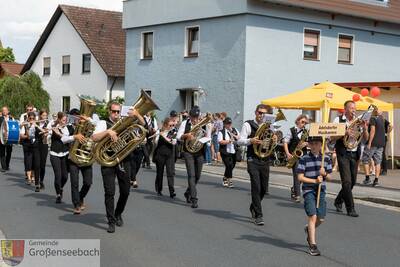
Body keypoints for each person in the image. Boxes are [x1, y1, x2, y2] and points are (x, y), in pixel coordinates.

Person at [92, 102, 145, 233]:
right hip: (107, 160)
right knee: (109, 192)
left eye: (117, 111)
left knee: (126, 191)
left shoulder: (125, 121)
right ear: (109, 111)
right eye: (113, 111)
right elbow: (94, 137)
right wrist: (108, 132)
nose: (115, 114)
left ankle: (118, 213)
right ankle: (111, 221)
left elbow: (143, 126)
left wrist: (137, 114)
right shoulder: (103, 123)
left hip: (124, 160)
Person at [237, 104, 275, 226]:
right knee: (256, 187)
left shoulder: (269, 126)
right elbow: (239, 141)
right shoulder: (248, 124)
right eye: (259, 112)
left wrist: (274, 138)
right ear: (255, 112)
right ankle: (258, 215)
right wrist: (250, 140)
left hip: (265, 159)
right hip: (252, 159)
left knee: (264, 189)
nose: (261, 115)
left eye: (264, 113)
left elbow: (272, 140)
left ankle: (254, 206)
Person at [297, 136, 332, 256]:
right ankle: (312, 245)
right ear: (309, 145)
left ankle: (308, 229)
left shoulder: (326, 159)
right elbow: (300, 177)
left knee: (320, 219)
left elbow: (330, 177)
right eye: (312, 144)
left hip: (321, 190)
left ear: (321, 145)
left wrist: (325, 173)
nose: (314, 146)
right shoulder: (304, 159)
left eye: (317, 143)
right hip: (308, 190)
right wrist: (314, 181)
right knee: (313, 216)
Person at [332, 101, 368, 217]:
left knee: (352, 182)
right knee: (346, 182)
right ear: (345, 109)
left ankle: (338, 200)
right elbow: (332, 137)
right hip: (343, 153)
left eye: (354, 108)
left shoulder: (358, 121)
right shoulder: (338, 120)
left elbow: (365, 139)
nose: (354, 110)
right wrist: (344, 132)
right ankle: (350, 208)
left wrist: (365, 128)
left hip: (354, 153)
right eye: (351, 108)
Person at [177, 106, 211, 208]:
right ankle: (194, 198)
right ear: (190, 116)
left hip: (199, 152)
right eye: (193, 117)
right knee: (191, 175)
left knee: (197, 176)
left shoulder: (205, 124)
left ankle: (188, 192)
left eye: (196, 117)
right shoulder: (185, 123)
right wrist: (186, 135)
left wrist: (203, 138)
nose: (195, 120)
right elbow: (178, 137)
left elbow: (208, 137)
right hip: (188, 152)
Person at [62, 109, 93, 215]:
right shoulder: (68, 127)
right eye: (75, 117)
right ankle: (76, 205)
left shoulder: (88, 127)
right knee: (74, 183)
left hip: (85, 157)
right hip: (73, 158)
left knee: (88, 182)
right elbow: (63, 139)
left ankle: (80, 197)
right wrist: (75, 136)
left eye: (79, 117)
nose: (77, 119)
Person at [49, 112, 74, 202]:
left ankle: (61, 187)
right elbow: (63, 139)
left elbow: (71, 137)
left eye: (66, 120)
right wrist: (51, 131)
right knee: (58, 176)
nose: (65, 121)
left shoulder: (69, 127)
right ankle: (58, 194)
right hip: (55, 154)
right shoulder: (55, 128)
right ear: (59, 120)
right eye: (63, 120)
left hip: (65, 154)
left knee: (65, 176)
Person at [283, 114, 309, 202]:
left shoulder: (306, 132)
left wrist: (307, 144)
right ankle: (297, 195)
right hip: (294, 155)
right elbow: (285, 142)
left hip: (304, 155)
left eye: (305, 123)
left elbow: (311, 143)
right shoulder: (291, 130)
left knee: (304, 175)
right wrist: (287, 153)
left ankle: (294, 188)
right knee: (297, 175)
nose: (304, 124)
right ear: (297, 121)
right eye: (302, 122)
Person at [153, 118, 177, 198]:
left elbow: (173, 142)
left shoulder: (173, 132)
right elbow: (155, 142)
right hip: (160, 155)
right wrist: (156, 137)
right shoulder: (160, 131)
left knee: (170, 173)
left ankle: (172, 191)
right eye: (170, 125)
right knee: (160, 173)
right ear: (166, 125)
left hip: (170, 155)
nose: (172, 127)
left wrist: (164, 136)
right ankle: (159, 190)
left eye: (173, 125)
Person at [362, 108, 386, 187]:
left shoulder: (373, 118)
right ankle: (376, 181)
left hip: (373, 143)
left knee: (365, 159)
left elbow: (372, 131)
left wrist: (369, 143)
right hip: (381, 143)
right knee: (377, 162)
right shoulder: (381, 119)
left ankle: (367, 179)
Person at [19, 112, 42, 192]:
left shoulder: (36, 125)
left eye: (33, 118)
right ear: (28, 118)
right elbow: (23, 135)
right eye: (30, 118)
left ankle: (37, 184)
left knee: (37, 165)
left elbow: (43, 132)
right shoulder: (25, 125)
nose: (31, 120)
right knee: (28, 163)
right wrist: (27, 128)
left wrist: (36, 125)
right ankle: (29, 178)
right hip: (27, 146)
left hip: (36, 147)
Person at [218, 117, 240, 188]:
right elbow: (220, 141)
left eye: (230, 123)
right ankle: (230, 180)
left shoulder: (234, 129)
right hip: (225, 152)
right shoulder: (221, 132)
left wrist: (234, 135)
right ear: (224, 124)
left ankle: (225, 177)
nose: (229, 125)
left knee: (232, 166)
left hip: (233, 151)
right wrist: (229, 141)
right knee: (229, 165)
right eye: (227, 123)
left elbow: (239, 137)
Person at [36, 109, 50, 189]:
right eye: (43, 115)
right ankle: (37, 183)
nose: (45, 117)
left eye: (46, 115)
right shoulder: (35, 123)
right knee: (37, 164)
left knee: (42, 165)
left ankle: (41, 181)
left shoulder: (48, 124)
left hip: (44, 145)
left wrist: (46, 133)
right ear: (40, 115)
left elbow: (47, 134)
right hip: (36, 145)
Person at [0, 106, 14, 172]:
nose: (4, 112)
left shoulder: (11, 118)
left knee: (9, 152)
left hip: (10, 137)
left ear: (8, 111)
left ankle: (7, 165)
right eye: (3, 110)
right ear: (2, 112)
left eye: (5, 110)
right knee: (2, 152)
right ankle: (3, 167)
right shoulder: (0, 118)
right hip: (1, 137)